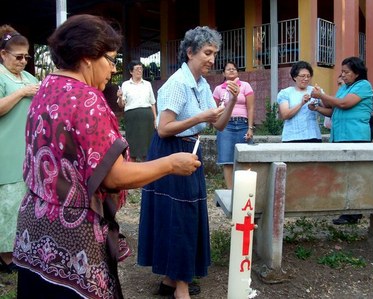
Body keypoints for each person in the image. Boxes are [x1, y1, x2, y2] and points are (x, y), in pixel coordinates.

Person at [12, 14, 201, 299]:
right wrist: (172, 163)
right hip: (72, 234)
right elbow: (114, 176)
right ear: (88, 56)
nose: (113, 70)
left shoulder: (45, 88)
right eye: (110, 59)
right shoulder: (88, 100)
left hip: (33, 228)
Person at [137, 26, 239, 299]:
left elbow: (218, 124)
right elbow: (163, 128)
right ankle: (181, 286)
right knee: (178, 216)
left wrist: (231, 101)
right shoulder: (178, 84)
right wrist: (199, 118)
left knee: (186, 215)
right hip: (170, 151)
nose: (211, 59)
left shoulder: (202, 84)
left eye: (214, 54)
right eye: (207, 53)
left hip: (189, 150)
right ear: (190, 52)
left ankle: (172, 279)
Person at [311, 56, 373, 225]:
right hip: (340, 136)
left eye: (346, 72)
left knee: (354, 175)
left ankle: (353, 213)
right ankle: (346, 209)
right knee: (342, 174)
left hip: (355, 136)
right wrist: (317, 106)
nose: (343, 75)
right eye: (342, 72)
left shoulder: (363, 86)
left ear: (357, 73)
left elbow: (345, 104)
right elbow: (334, 111)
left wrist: (323, 95)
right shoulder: (344, 88)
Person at [0, 25, 39, 273]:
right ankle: (5, 255)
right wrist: (23, 93)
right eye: (18, 57)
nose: (23, 61)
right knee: (7, 203)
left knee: (24, 202)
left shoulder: (30, 78)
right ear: (3, 54)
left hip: (28, 150)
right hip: (6, 148)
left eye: (26, 57)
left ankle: (20, 248)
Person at [212, 61, 255, 189]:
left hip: (243, 124)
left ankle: (245, 190)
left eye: (234, 69)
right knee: (227, 161)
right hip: (226, 127)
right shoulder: (219, 89)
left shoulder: (245, 86)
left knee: (246, 160)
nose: (231, 71)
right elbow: (213, 109)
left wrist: (250, 128)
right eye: (228, 69)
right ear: (223, 73)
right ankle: (230, 192)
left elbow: (251, 108)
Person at [117, 60, 157, 161]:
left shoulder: (147, 84)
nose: (140, 71)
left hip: (147, 117)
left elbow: (152, 103)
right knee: (133, 144)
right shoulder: (125, 84)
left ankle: (147, 167)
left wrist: (155, 119)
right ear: (131, 72)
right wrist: (120, 97)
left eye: (141, 68)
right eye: (137, 69)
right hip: (132, 118)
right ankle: (133, 166)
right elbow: (121, 105)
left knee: (148, 144)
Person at [277, 61, 323, 143]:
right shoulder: (285, 93)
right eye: (302, 76)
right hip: (292, 137)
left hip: (313, 136)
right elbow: (285, 114)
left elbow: (328, 109)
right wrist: (302, 103)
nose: (306, 79)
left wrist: (321, 96)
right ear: (294, 77)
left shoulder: (315, 91)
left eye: (308, 76)